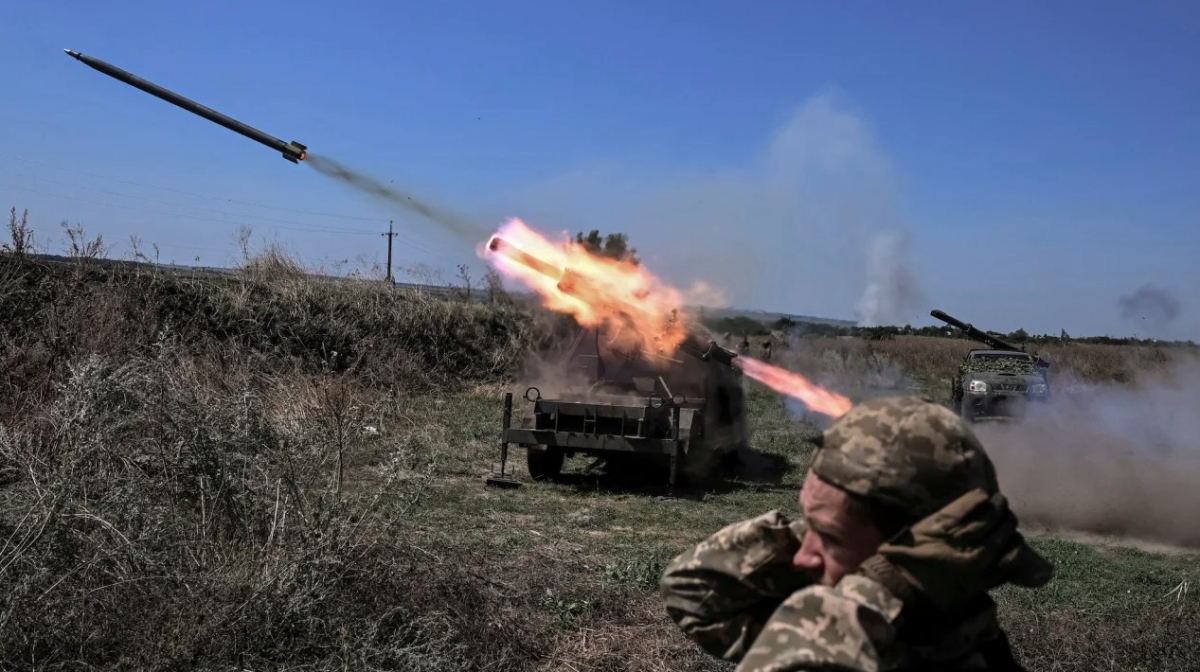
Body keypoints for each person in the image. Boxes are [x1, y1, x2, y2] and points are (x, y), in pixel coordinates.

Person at [659, 395, 1054, 671]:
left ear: (914, 551)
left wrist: (875, 593)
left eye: (831, 538)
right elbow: (690, 592)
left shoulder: (874, 647)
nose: (802, 556)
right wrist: (818, 530)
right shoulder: (891, 632)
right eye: (806, 524)